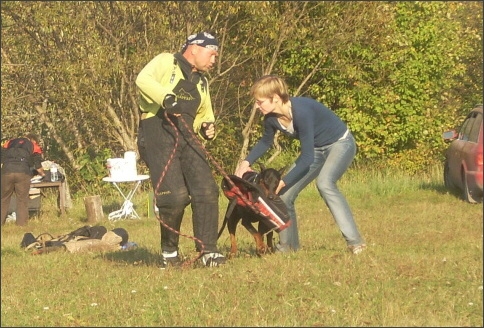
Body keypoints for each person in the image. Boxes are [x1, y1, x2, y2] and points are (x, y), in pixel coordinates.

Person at [234, 75, 366, 254]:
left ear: (276, 98)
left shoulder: (302, 112)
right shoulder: (271, 118)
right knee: (284, 196)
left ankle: (355, 243)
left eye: (260, 101)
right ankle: (288, 248)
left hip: (340, 144)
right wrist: (245, 163)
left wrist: (284, 180)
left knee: (325, 183)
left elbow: (307, 157)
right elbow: (266, 142)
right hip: (316, 150)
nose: (257, 106)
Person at [135, 31, 226, 267]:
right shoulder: (167, 61)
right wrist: (166, 98)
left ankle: (208, 252)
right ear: (195, 48)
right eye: (212, 54)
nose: (214, 60)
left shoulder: (202, 82)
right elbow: (143, 79)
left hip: (187, 135)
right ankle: (169, 254)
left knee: (207, 190)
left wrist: (207, 127)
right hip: (157, 130)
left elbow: (205, 114)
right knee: (174, 197)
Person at [1, 133, 46, 226]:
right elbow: (37, 163)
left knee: (3, 199)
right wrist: (42, 173)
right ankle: (21, 225)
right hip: (22, 172)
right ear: (33, 140)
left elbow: (2, 155)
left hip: (7, 171)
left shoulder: (9, 142)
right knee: (22, 199)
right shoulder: (33, 145)